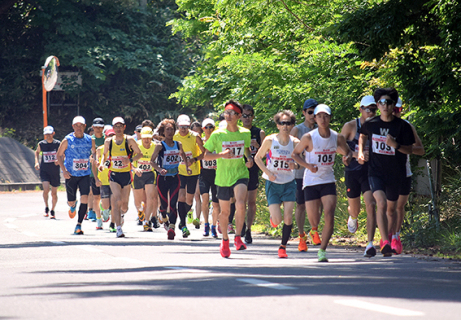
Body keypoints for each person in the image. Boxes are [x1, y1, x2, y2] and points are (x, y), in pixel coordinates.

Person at [358, 88, 415, 256]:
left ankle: (387, 239)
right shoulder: (371, 123)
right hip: (375, 172)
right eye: (381, 103)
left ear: (393, 106)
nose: (385, 106)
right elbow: (362, 135)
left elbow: (410, 150)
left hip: (396, 174)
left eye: (388, 102)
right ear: (378, 105)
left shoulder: (402, 126)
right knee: (380, 203)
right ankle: (385, 243)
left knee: (391, 208)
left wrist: (395, 145)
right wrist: (361, 152)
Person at [292, 104, 353, 262]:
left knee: (329, 215)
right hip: (311, 181)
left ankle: (322, 250)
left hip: (328, 180)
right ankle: (313, 230)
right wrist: (307, 166)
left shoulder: (337, 137)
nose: (322, 119)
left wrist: (347, 158)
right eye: (319, 116)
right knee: (314, 219)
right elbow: (295, 154)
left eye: (326, 116)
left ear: (330, 118)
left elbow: (348, 152)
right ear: (315, 118)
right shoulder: (309, 137)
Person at [204, 100, 254, 258]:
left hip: (240, 174)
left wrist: (249, 158)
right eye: (226, 112)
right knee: (224, 212)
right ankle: (225, 240)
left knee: (240, 203)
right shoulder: (218, 134)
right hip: (223, 177)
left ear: (239, 116)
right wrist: (221, 155)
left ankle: (238, 237)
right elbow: (205, 155)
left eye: (232, 113)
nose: (229, 116)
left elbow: (246, 149)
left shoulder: (245, 133)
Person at [255, 110, 299, 258]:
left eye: (288, 123)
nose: (285, 126)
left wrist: (296, 166)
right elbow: (257, 158)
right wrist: (268, 173)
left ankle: (283, 247)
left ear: (292, 125)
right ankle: (273, 219)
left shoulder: (295, 143)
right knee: (277, 220)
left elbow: (302, 161)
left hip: (289, 183)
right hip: (273, 183)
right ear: (277, 125)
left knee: (288, 218)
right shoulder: (270, 140)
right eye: (282, 123)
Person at [340, 96, 378, 257]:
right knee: (355, 208)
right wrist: (356, 154)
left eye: (373, 109)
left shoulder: (379, 126)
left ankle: (370, 243)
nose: (370, 112)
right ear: (360, 109)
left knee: (371, 204)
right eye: (367, 109)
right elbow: (338, 147)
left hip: (370, 172)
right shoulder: (350, 126)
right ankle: (353, 216)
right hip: (353, 171)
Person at [390, 98, 425, 254]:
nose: (394, 112)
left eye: (397, 110)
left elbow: (420, 149)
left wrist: (402, 148)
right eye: (392, 109)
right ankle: (387, 235)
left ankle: (396, 236)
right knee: (386, 206)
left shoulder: (408, 127)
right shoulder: (379, 126)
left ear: (401, 109)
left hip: (404, 171)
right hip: (385, 172)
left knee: (399, 205)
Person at [100, 117, 142, 238]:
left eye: (120, 126)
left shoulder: (129, 140)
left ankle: (121, 215)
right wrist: (102, 164)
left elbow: (140, 154)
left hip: (126, 174)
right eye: (116, 127)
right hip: (114, 174)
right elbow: (105, 155)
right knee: (117, 200)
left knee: (124, 205)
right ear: (113, 128)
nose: (118, 129)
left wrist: (129, 160)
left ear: (124, 127)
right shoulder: (109, 141)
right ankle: (118, 228)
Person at [150, 119, 191, 240]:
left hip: (175, 177)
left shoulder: (178, 144)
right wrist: (159, 169)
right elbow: (151, 162)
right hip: (162, 178)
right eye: (167, 129)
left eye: (172, 129)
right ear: (163, 131)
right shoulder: (160, 146)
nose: (169, 131)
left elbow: (183, 155)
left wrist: (187, 167)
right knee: (164, 204)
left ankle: (172, 228)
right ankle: (163, 215)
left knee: (173, 203)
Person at [56, 116, 96, 235]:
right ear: (73, 127)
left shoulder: (90, 140)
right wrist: (64, 170)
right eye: (76, 125)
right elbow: (59, 155)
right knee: (71, 201)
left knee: (85, 197)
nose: (79, 127)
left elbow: (94, 153)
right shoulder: (67, 140)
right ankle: (73, 206)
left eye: (81, 125)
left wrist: (94, 159)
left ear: (84, 126)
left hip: (85, 174)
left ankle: (79, 224)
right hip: (71, 175)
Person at [290, 98, 318, 251]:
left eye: (316, 112)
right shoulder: (298, 130)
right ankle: (301, 237)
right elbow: (292, 152)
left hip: (317, 174)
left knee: (318, 205)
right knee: (300, 205)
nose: (313, 115)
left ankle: (314, 230)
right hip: (300, 174)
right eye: (310, 112)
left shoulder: (321, 128)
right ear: (304, 113)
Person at [173, 115, 205, 238]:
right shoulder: (174, 136)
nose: (183, 129)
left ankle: (182, 218)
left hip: (193, 171)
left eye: (186, 127)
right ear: (177, 125)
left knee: (189, 200)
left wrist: (195, 159)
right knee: (181, 196)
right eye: (181, 127)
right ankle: (183, 223)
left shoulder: (195, 136)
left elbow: (204, 153)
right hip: (179, 171)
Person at [240, 104, 265, 243]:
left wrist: (258, 147)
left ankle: (249, 229)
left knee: (251, 201)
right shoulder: (237, 132)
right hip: (239, 169)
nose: (247, 118)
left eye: (249, 115)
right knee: (240, 201)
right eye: (244, 115)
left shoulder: (259, 132)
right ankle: (241, 224)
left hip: (253, 170)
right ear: (240, 117)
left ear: (253, 117)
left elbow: (268, 153)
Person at [132, 127, 159, 232]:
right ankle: (140, 210)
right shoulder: (136, 145)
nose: (147, 140)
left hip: (150, 174)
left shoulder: (156, 146)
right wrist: (135, 169)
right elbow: (128, 161)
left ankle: (147, 222)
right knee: (138, 202)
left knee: (151, 198)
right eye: (144, 138)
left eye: (149, 138)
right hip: (138, 175)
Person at [199, 118, 220, 237]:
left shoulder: (218, 141)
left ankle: (214, 226)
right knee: (205, 201)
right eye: (206, 127)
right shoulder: (200, 142)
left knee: (216, 204)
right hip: (204, 174)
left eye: (211, 127)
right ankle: (206, 224)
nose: (209, 129)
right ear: (203, 129)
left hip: (216, 174)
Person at [34, 125, 61, 219]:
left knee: (54, 193)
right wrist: (37, 162)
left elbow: (63, 154)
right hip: (44, 170)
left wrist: (59, 160)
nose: (48, 136)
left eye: (50, 134)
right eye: (46, 135)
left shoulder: (58, 143)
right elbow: (37, 152)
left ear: (53, 133)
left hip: (55, 171)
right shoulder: (41, 144)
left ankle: (53, 209)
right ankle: (46, 207)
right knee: (46, 189)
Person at [94, 127, 116, 230]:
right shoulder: (100, 148)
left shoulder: (119, 148)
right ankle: (105, 209)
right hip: (104, 180)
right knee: (106, 204)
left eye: (113, 136)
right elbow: (96, 161)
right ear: (105, 137)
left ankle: (114, 224)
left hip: (115, 179)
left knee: (116, 202)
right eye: (109, 136)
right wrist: (97, 164)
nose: (111, 139)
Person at [89, 117, 105, 228]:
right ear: (93, 127)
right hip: (92, 171)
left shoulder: (108, 139)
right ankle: (97, 217)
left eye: (100, 127)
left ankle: (105, 211)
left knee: (106, 197)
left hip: (105, 172)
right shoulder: (89, 140)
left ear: (103, 128)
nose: (98, 129)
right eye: (96, 127)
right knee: (96, 196)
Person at [190, 121, 204, 229]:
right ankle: (190, 212)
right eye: (194, 130)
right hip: (190, 170)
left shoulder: (203, 141)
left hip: (201, 170)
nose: (196, 133)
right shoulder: (188, 141)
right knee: (192, 195)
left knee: (198, 195)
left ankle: (198, 218)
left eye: (198, 131)